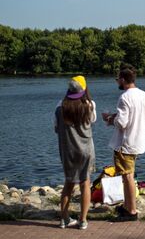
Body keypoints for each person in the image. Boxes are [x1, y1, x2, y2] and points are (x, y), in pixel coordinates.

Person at [102, 65, 145, 222]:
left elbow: (122, 123)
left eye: (118, 79)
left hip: (125, 143)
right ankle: (127, 206)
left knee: (128, 176)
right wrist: (116, 115)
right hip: (138, 141)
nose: (117, 81)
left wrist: (110, 119)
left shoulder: (124, 97)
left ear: (123, 80)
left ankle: (131, 211)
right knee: (127, 176)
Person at [55, 76, 96, 230]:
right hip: (86, 150)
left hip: (68, 151)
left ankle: (64, 219)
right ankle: (83, 220)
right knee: (85, 184)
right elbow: (92, 121)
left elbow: (56, 128)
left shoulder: (59, 107)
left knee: (68, 184)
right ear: (84, 90)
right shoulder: (90, 105)